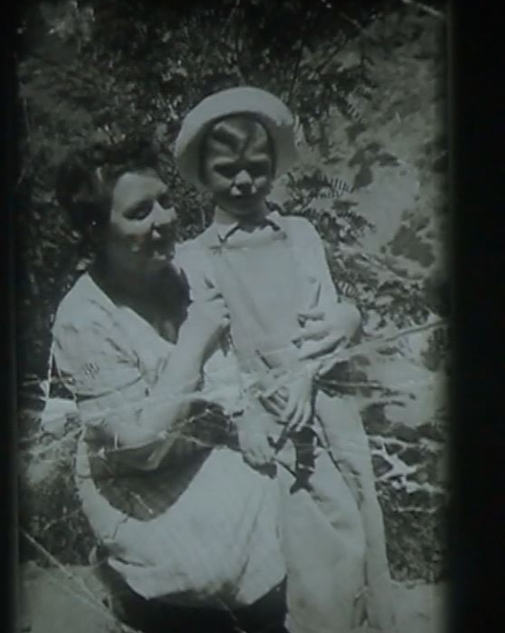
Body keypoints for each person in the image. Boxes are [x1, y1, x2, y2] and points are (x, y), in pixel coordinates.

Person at [45, 135, 361, 633]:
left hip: (217, 445)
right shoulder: (84, 319)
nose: (163, 220)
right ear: (95, 228)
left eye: (166, 202)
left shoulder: (187, 270)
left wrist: (347, 316)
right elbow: (138, 448)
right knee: (213, 569)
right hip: (138, 484)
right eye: (139, 212)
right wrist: (193, 344)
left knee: (312, 517)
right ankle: (133, 591)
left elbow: (280, 320)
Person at [173, 86, 398, 633]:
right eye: (228, 171)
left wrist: (347, 319)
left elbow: (324, 315)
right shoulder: (195, 256)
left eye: (257, 168)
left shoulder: (300, 234)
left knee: (355, 524)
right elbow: (214, 349)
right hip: (260, 412)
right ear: (204, 176)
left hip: (321, 396)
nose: (244, 182)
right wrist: (245, 411)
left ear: (274, 166)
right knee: (307, 548)